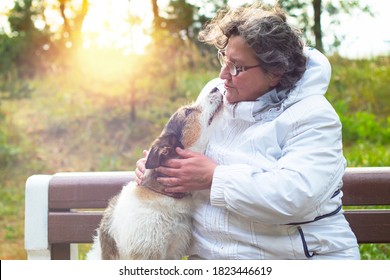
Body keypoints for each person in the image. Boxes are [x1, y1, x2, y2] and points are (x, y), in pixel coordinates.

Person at [135, 3, 360, 259]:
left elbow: (295, 197)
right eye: (224, 58)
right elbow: (185, 152)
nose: (223, 75)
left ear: (275, 72)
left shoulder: (314, 116)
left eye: (237, 67)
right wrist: (159, 171)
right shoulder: (216, 94)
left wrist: (214, 178)